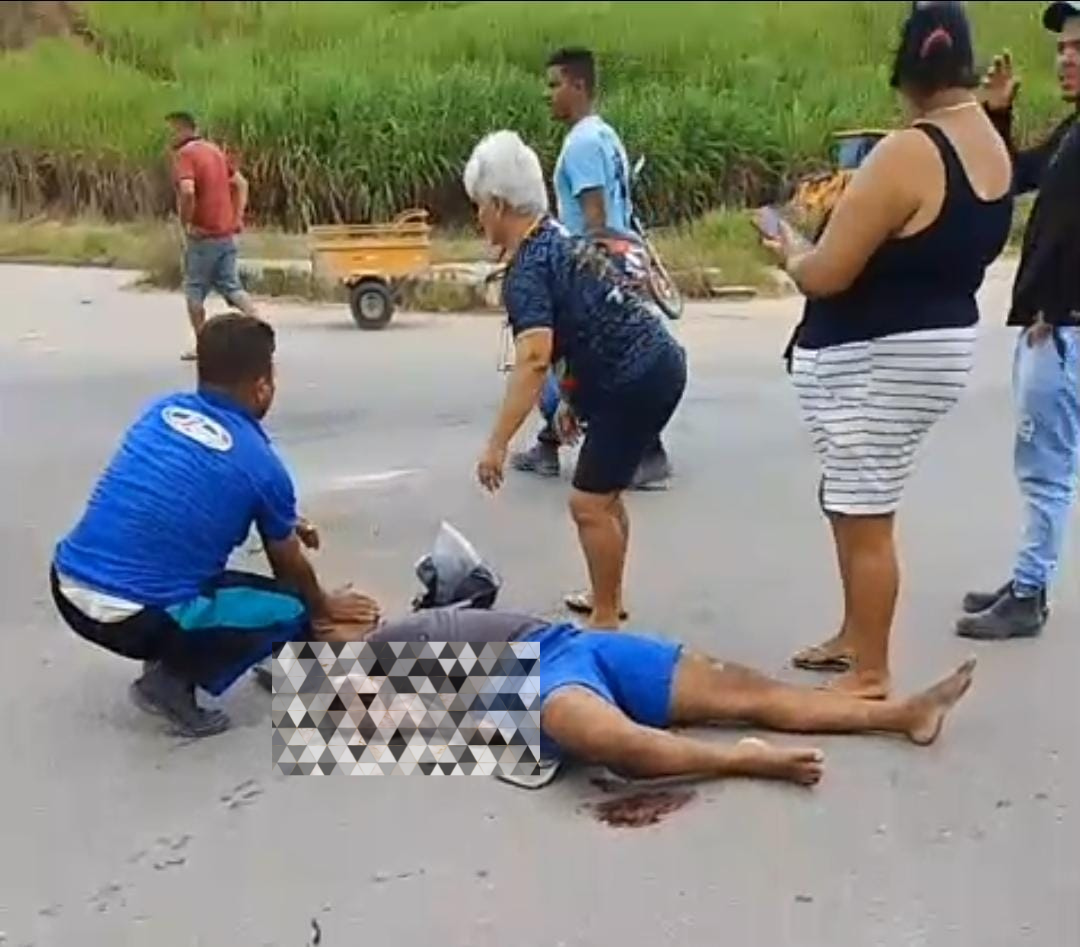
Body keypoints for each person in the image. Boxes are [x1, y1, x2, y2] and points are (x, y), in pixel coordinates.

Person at [761, 2, 1013, 698]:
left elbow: (829, 271)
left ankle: (871, 672)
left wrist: (789, 250)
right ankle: (854, 633)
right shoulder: (989, 141)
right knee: (856, 499)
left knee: (866, 511)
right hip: (932, 343)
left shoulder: (908, 150)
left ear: (905, 73)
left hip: (883, 354)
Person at [50, 313, 381, 737]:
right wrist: (321, 608)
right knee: (290, 605)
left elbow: (172, 489)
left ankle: (175, 650)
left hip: (67, 584)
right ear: (262, 386)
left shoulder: (163, 411)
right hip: (133, 617)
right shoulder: (261, 464)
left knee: (196, 577)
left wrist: (285, 517)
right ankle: (168, 682)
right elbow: (290, 568)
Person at [353, 608, 977, 786]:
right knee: (613, 745)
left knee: (754, 690)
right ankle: (744, 761)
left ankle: (905, 713)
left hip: (574, 642)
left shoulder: (399, 625)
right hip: (529, 681)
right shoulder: (361, 663)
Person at [464, 130, 687, 630]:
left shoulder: (526, 270)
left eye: (479, 206)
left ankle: (606, 619)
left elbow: (535, 358)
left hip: (636, 377)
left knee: (588, 503)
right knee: (603, 497)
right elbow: (581, 328)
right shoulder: (557, 236)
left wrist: (496, 443)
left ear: (499, 205)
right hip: (656, 362)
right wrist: (571, 402)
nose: (478, 218)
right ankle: (607, 595)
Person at [957, 1, 1080, 640]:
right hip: (1053, 327)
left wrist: (1056, 311)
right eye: (1063, 48)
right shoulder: (1072, 132)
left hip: (1063, 332)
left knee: (1047, 470)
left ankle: (1029, 594)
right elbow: (1015, 177)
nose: (1066, 58)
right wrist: (998, 114)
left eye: (1078, 49)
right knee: (1042, 464)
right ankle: (1026, 578)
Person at [509, 47, 674, 494]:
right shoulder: (606, 136)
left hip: (591, 271)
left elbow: (595, 219)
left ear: (577, 86)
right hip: (622, 263)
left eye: (553, 84)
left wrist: (589, 280)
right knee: (592, 364)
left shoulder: (581, 144)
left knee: (557, 370)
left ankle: (644, 450)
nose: (548, 95)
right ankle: (550, 446)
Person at [166, 110, 258, 361]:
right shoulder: (214, 151)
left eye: (172, 130)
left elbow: (187, 191)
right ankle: (259, 326)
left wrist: (186, 222)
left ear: (184, 129)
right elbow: (241, 183)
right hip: (225, 233)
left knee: (194, 290)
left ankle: (202, 347)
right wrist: (236, 218)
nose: (169, 137)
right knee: (231, 286)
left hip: (204, 235)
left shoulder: (186, 155)